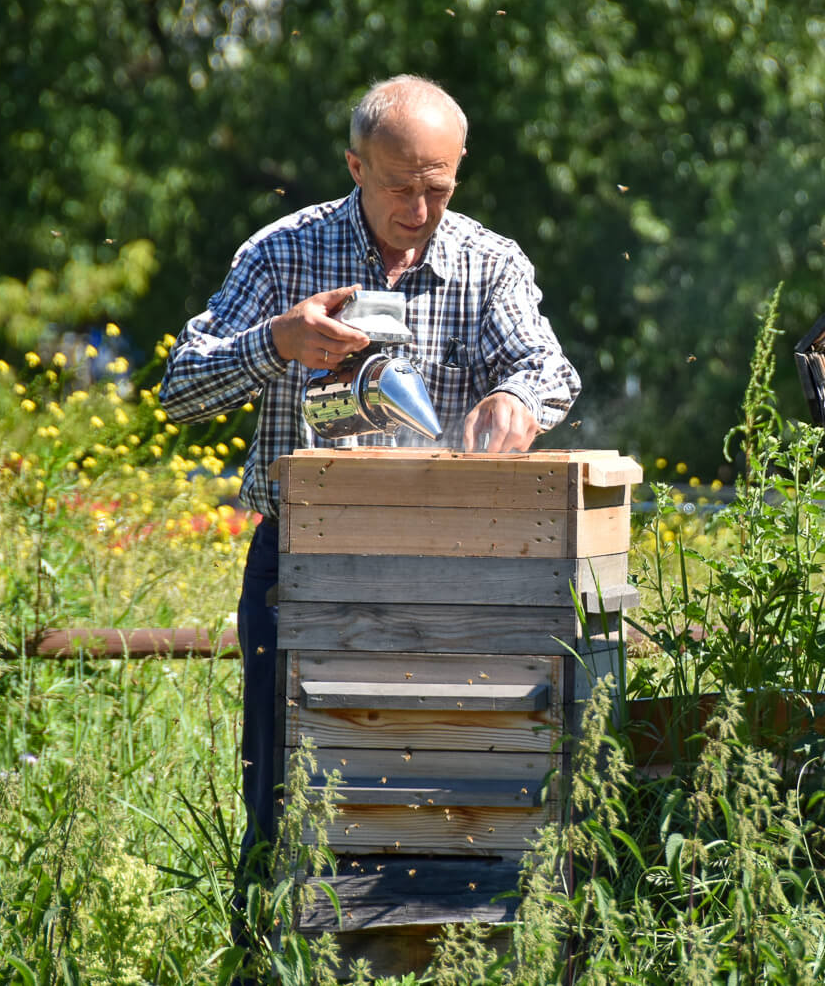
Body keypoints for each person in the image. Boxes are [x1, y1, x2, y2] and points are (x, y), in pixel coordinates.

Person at [158, 75, 580, 884]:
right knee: (287, 794)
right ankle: (277, 959)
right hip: (302, 565)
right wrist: (274, 342)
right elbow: (180, 386)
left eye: (439, 188)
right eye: (398, 187)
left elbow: (548, 367)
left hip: (457, 568)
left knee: (457, 787)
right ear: (355, 166)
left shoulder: (491, 263)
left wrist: (514, 399)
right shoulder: (284, 252)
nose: (419, 211)